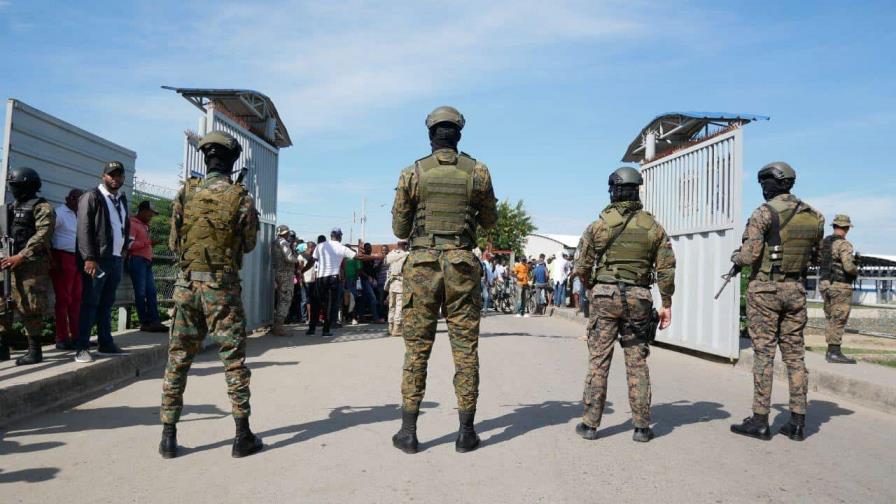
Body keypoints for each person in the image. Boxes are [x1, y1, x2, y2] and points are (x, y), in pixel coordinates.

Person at [390, 105, 498, 454]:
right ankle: (466, 432)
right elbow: (490, 221)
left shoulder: (413, 173)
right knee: (465, 350)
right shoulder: (477, 172)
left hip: (422, 264)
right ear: (459, 134)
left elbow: (399, 228)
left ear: (430, 135)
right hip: (462, 264)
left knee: (416, 350)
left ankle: (408, 432)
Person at [159, 131, 262, 459]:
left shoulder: (186, 192)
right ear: (231, 161)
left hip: (187, 288)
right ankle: (241, 436)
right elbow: (248, 243)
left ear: (206, 159)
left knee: (178, 361)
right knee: (233, 362)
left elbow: (174, 242)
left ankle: (168, 436)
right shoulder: (240, 197)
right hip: (222, 289)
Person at [573, 166, 675, 443]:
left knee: (598, 361)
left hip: (605, 298)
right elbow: (666, 269)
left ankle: (590, 424)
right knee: (637, 363)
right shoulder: (653, 227)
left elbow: (581, 265)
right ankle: (642, 427)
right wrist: (666, 303)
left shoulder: (599, 225)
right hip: (639, 299)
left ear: (614, 191)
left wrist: (593, 287)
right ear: (636, 191)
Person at [729, 162, 824, 442]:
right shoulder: (814, 216)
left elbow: (748, 256)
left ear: (773, 183)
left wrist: (735, 257)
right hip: (795, 290)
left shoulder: (764, 213)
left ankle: (760, 420)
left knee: (764, 355)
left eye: (763, 183)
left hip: (766, 292)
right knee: (795, 356)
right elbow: (817, 257)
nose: (762, 189)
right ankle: (797, 423)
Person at [74, 161, 130, 363]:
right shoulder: (91, 197)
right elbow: (83, 229)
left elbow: (124, 224)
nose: (115, 178)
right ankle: (81, 347)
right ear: (103, 176)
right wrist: (89, 257)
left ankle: (105, 343)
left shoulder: (120, 199)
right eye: (111, 175)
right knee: (90, 302)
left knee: (107, 303)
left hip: (115, 259)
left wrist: (124, 249)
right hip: (96, 260)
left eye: (119, 175)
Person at [0, 167, 55, 365]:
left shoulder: (42, 207)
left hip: (32, 265)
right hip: (8, 263)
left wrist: (21, 256)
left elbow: (43, 235)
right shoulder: (9, 208)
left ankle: (34, 350)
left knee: (30, 306)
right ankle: (3, 347)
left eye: (15, 186)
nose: (12, 189)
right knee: (3, 304)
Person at [310, 228, 369, 336]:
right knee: (329, 304)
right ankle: (325, 330)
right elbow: (358, 256)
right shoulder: (341, 248)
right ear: (340, 236)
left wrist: (304, 269)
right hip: (333, 278)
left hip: (320, 278)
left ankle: (311, 329)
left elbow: (312, 260)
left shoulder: (320, 245)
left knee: (317, 303)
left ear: (331, 235)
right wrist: (373, 256)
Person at [820, 214, 859, 364]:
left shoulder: (825, 242)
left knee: (831, 317)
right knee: (839, 318)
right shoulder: (844, 244)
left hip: (825, 284)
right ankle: (834, 352)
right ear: (847, 228)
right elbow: (848, 267)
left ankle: (830, 350)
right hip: (840, 285)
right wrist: (856, 269)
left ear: (834, 226)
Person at [50, 188, 83, 350]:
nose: (79, 203)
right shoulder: (59, 213)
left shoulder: (80, 214)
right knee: (63, 300)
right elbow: (46, 236)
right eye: (77, 200)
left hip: (78, 258)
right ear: (69, 198)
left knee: (77, 299)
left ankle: (77, 336)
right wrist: (51, 259)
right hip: (62, 257)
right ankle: (61, 337)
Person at [128, 200, 167, 333]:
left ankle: (155, 321)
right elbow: (129, 245)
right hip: (137, 260)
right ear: (143, 211)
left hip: (145, 261)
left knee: (151, 292)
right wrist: (148, 242)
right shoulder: (133, 224)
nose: (151, 216)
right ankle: (144, 322)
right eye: (150, 213)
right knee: (141, 293)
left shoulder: (144, 225)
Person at [271, 224, 300, 336]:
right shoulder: (283, 243)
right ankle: (279, 327)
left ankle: (277, 326)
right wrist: (297, 259)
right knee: (285, 299)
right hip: (286, 274)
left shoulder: (275, 242)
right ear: (285, 233)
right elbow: (289, 258)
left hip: (278, 272)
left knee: (280, 299)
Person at [385, 239, 409, 336]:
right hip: (400, 282)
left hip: (391, 283)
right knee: (399, 305)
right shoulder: (406, 254)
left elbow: (386, 262)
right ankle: (397, 328)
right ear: (404, 244)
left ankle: (390, 327)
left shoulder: (391, 254)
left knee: (392, 306)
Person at [359, 242, 385, 324]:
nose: (369, 249)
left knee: (365, 299)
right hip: (366, 280)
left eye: (370, 248)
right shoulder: (362, 257)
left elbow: (374, 269)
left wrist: (380, 262)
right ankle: (376, 318)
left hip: (373, 281)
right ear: (364, 249)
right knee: (373, 299)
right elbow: (360, 271)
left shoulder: (371, 258)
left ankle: (361, 317)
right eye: (367, 248)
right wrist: (368, 277)